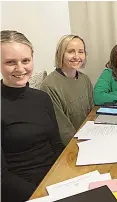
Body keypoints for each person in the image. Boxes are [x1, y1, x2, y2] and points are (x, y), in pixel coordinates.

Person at [1, 30, 64, 202]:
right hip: (22, 192)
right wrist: (43, 194)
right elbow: (2, 177)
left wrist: (64, 177)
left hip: (55, 181)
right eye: (10, 62)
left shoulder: (42, 98)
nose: (20, 68)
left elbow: (57, 145)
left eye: (25, 61)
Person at [40, 35, 94, 145]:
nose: (76, 56)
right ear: (61, 54)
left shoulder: (85, 79)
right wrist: (82, 145)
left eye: (81, 52)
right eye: (70, 52)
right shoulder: (49, 86)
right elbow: (63, 131)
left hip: (89, 137)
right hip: (70, 147)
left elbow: (91, 114)